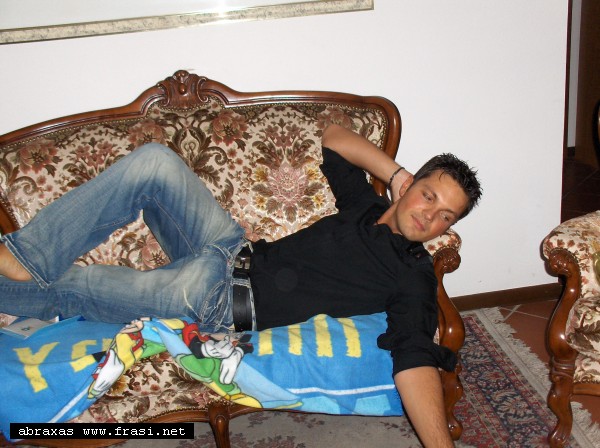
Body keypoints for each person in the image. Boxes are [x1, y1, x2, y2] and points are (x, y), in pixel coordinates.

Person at [0, 124, 481, 447]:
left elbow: (414, 355)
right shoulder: (365, 206)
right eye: (427, 195)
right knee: (155, 162)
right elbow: (334, 136)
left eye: (446, 216)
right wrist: (393, 173)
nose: (430, 217)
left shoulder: (412, 274)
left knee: (74, 286)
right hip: (228, 247)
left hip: (215, 299)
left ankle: (24, 273)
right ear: (409, 186)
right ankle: (26, 257)